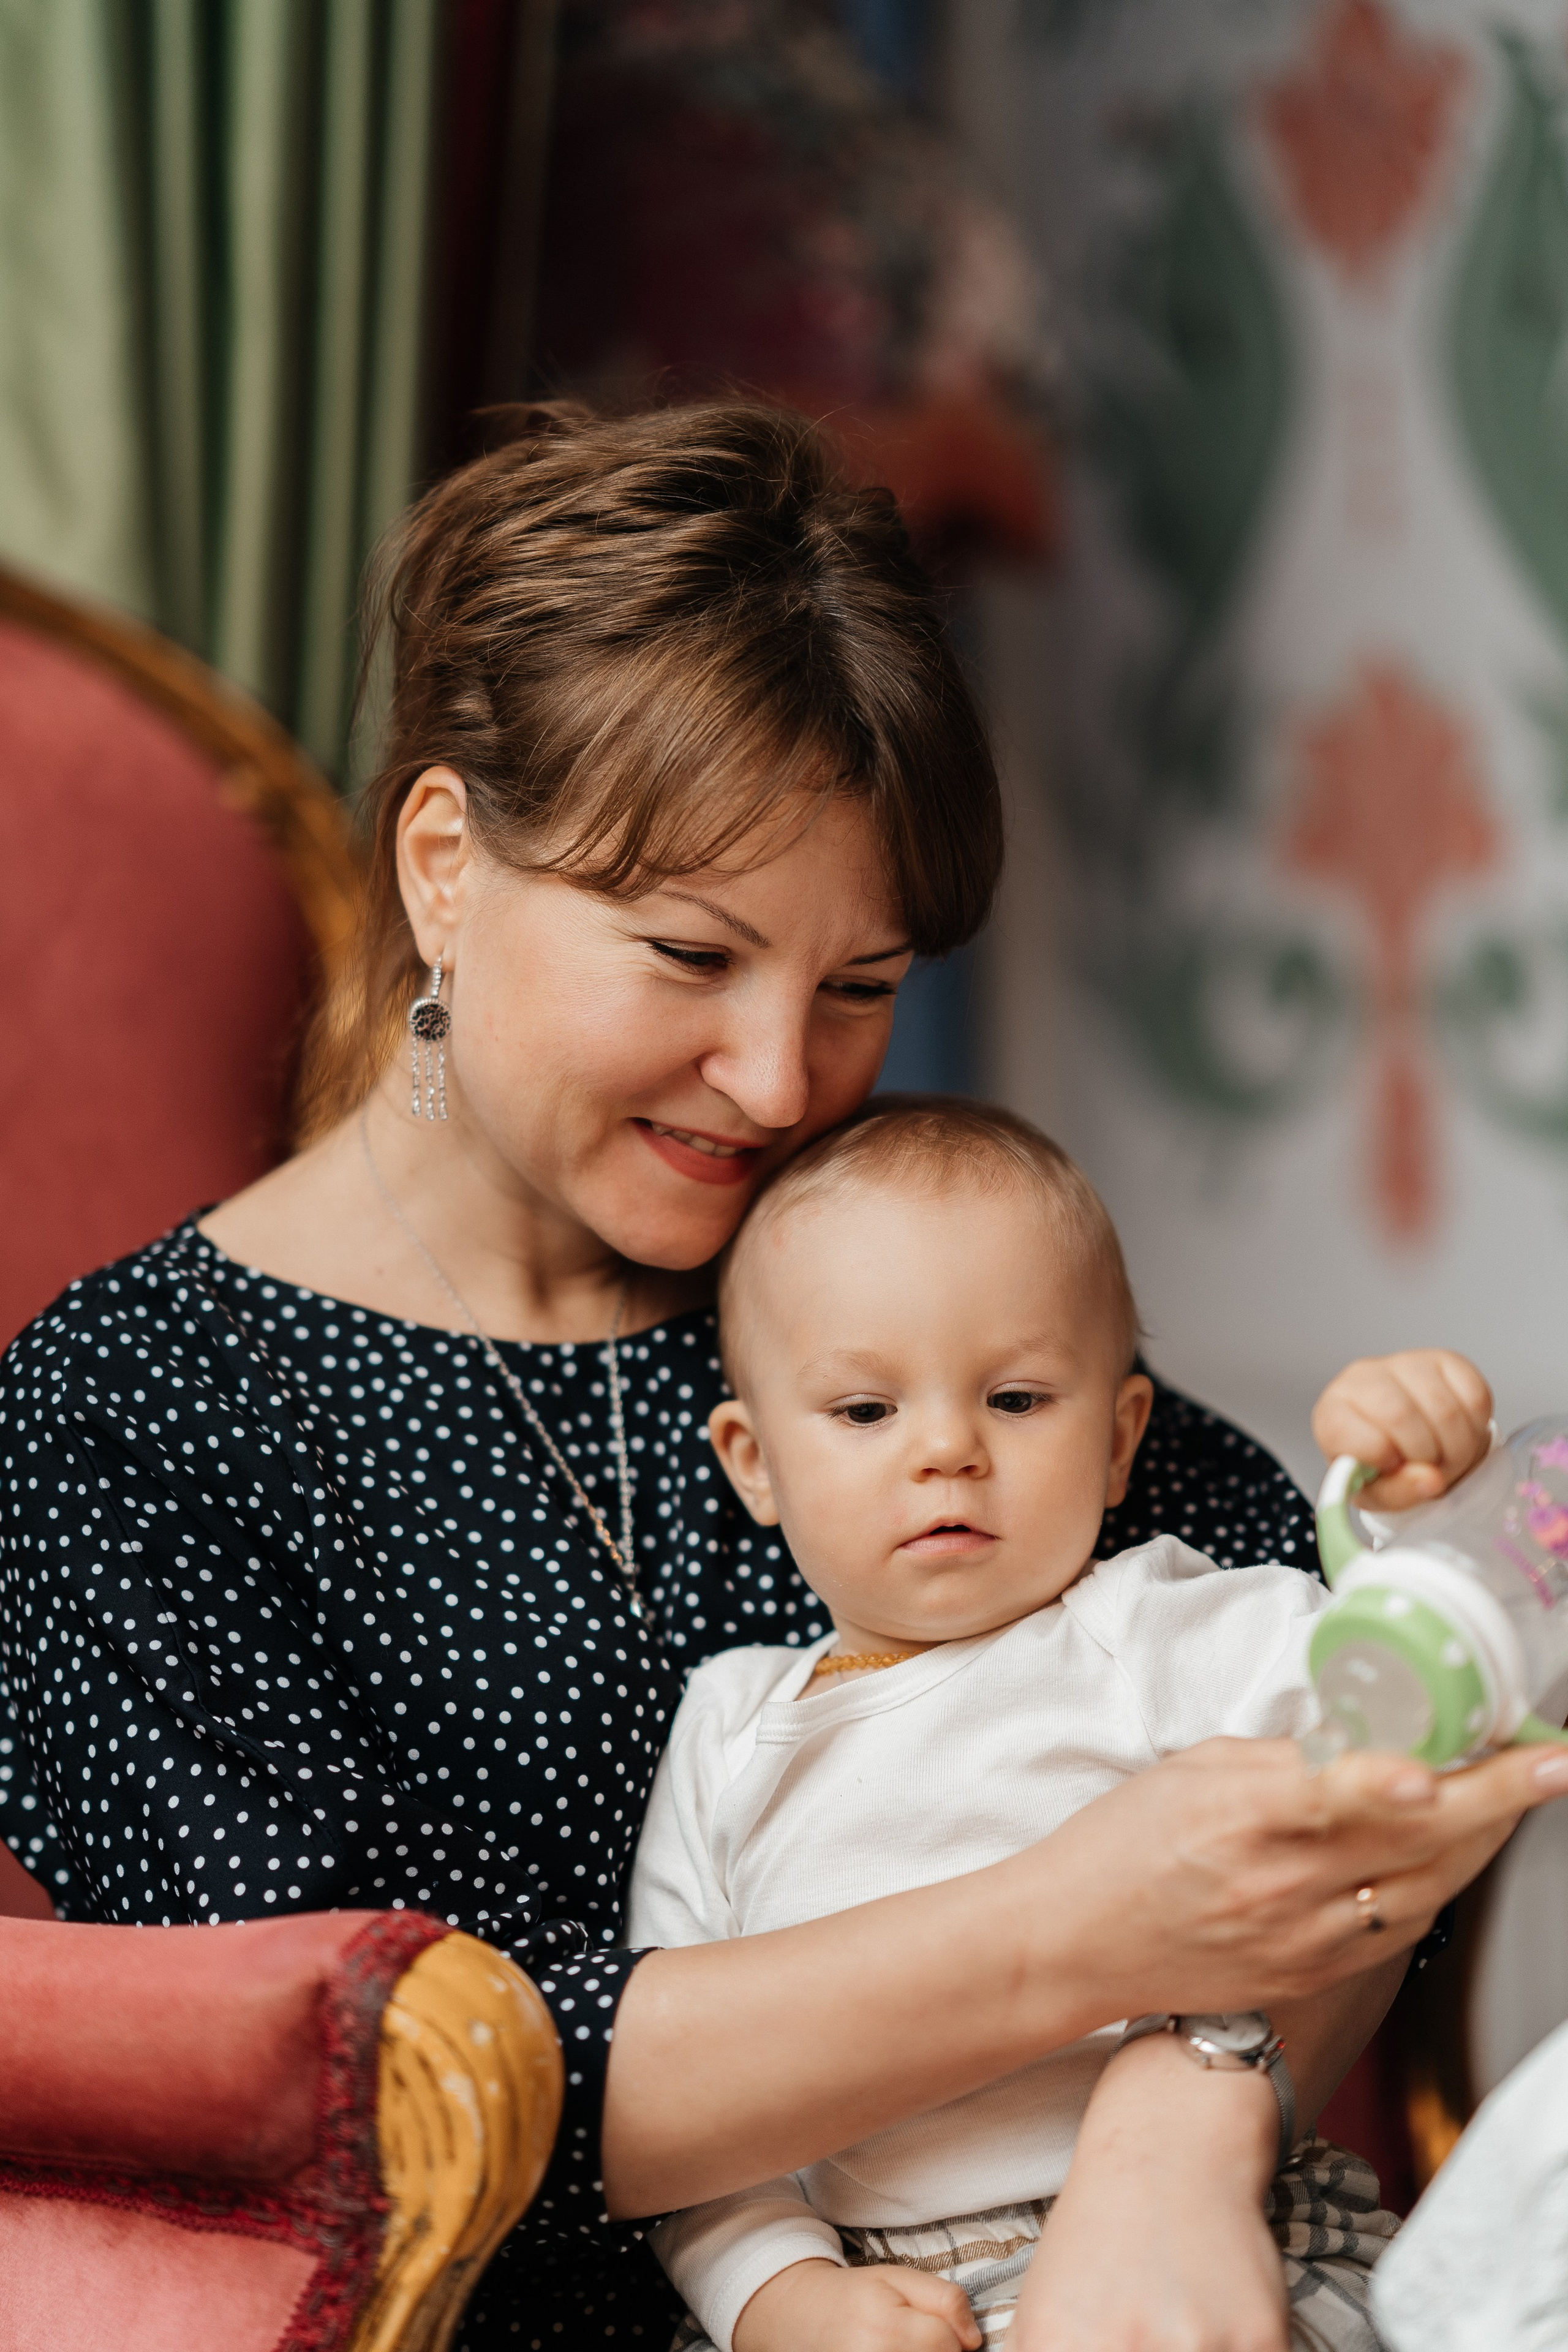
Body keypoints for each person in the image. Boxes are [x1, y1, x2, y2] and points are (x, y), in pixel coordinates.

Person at [0, 402, 1558, 2352]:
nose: (776, 1082)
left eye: (859, 987)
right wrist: (1084, 1928)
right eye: (689, 957)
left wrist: (1179, 2128)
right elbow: (355, 2103)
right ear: (448, 865)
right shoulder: (125, 1421)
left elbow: (1365, 1753)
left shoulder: (874, 1282)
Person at [630, 1098, 1403, 2352]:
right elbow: (687, 2101)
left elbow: (1407, 1705)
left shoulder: (1154, 1627)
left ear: (1118, 1438)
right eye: (865, 1412)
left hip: (1192, 2227)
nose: (948, 1448)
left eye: (1017, 1398)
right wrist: (776, 2295)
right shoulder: (727, 1727)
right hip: (873, 2288)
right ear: (753, 1460)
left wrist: (1409, 1506)